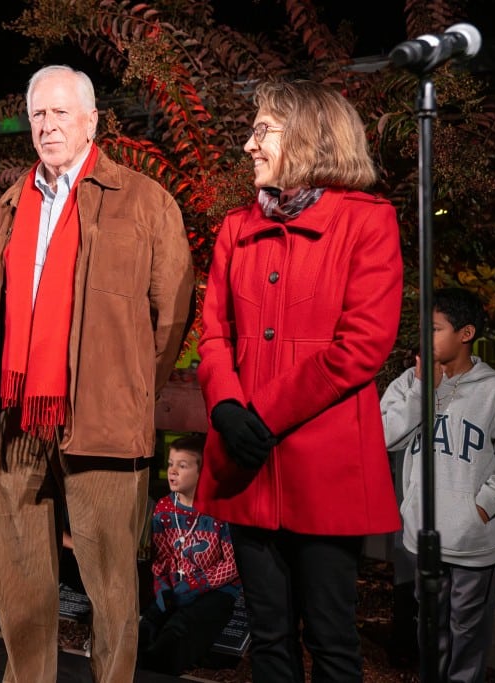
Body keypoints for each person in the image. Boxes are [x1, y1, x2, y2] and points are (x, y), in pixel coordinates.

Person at [0, 64, 195, 681]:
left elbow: (172, 314)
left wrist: (126, 389)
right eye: (38, 114)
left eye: (61, 113)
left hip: (103, 420)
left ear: (92, 120)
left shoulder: (144, 199)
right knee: (20, 584)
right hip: (20, 418)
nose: (47, 125)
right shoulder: (13, 201)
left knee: (113, 587)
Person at [195, 79, 403, 681]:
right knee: (268, 638)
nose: (248, 145)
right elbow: (213, 337)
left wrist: (259, 416)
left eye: (262, 130)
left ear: (309, 135)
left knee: (334, 642)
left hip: (325, 471)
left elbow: (362, 346)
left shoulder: (367, 221)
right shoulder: (236, 228)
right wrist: (227, 408)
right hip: (246, 465)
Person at [381, 287, 495, 683]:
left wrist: (483, 506)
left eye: (434, 329)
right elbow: (381, 437)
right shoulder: (408, 384)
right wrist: (422, 389)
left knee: (467, 633)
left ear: (466, 333)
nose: (424, 338)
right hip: (423, 535)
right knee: (429, 627)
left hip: (475, 539)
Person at [137, 433, 241, 675]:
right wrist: (161, 584)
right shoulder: (164, 508)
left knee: (180, 630)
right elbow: (162, 557)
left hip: (215, 592)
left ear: (201, 472)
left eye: (182, 466)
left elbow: (233, 565)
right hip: (177, 586)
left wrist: (197, 584)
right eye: (171, 463)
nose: (172, 471)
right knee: (148, 625)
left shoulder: (219, 510)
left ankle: (159, 669)